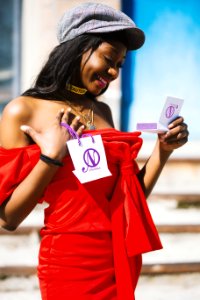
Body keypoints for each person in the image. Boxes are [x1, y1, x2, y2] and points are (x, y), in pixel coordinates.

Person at [0, 2, 189, 300]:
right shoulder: (22, 111)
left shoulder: (101, 111)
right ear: (78, 48)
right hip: (68, 263)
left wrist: (162, 151)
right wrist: (51, 157)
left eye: (120, 64)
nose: (113, 72)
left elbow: (127, 199)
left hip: (115, 257)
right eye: (108, 59)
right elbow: (7, 219)